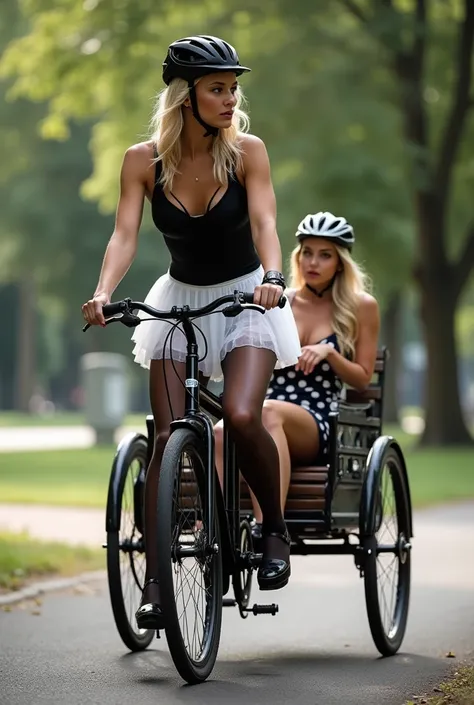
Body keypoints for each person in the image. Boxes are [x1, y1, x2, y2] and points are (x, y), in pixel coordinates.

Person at [81, 35, 301, 629]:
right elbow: (124, 235)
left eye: (233, 87)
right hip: (179, 299)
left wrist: (274, 277)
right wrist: (103, 291)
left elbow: (266, 222)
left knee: (243, 413)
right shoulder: (141, 160)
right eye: (217, 88)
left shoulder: (248, 152)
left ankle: (274, 530)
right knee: (165, 436)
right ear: (185, 97)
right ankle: (156, 583)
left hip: (247, 297)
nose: (231, 99)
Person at [214, 211, 380, 546]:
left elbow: (363, 379)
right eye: (307, 252)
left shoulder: (361, 306)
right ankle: (215, 531)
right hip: (266, 407)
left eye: (325, 255)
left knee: (268, 413)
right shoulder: (278, 300)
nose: (313, 262)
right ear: (297, 256)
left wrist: (329, 354)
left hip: (319, 418)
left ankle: (268, 531)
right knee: (220, 430)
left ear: (340, 263)